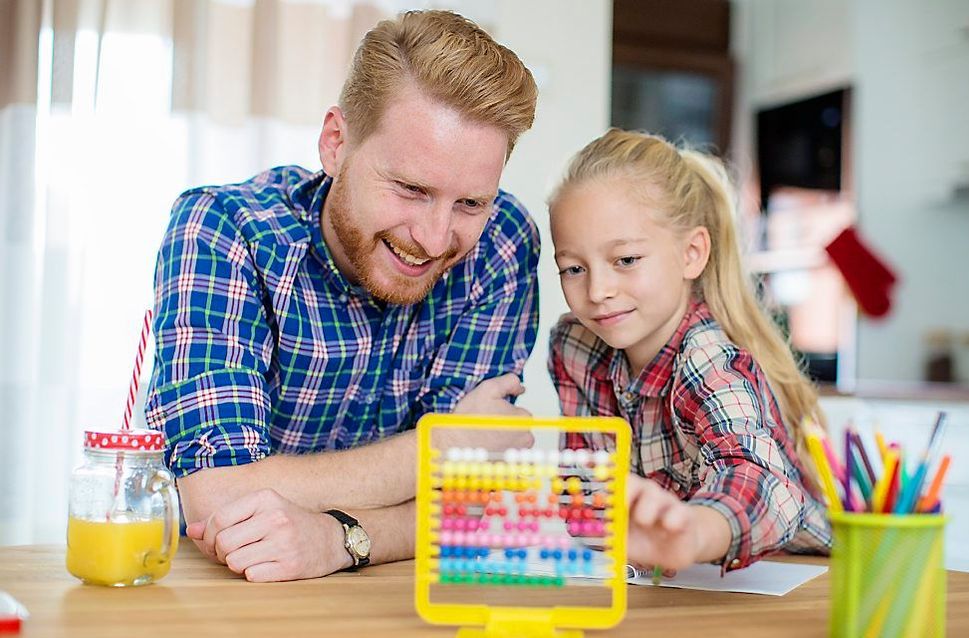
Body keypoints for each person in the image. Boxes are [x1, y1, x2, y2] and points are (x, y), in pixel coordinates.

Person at [144, 10, 539, 582]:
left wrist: (342, 538)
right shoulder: (224, 228)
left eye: (470, 204)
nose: (432, 238)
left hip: (400, 601)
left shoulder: (502, 243)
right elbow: (213, 494)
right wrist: (444, 446)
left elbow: (470, 504)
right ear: (336, 144)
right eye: (411, 188)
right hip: (224, 592)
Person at [546, 129, 831, 576]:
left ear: (691, 253)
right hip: (672, 582)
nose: (598, 291)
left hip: (791, 573)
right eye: (574, 268)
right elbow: (587, 495)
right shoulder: (576, 346)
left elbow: (765, 483)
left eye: (626, 260)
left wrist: (692, 531)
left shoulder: (708, 357)